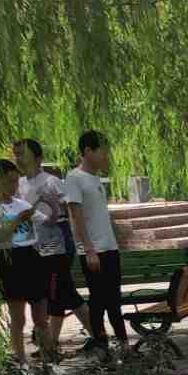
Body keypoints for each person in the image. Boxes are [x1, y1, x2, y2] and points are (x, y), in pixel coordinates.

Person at [14, 138, 86, 360]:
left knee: (61, 289)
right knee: (51, 293)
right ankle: (50, 344)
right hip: (33, 244)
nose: (18, 158)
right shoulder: (19, 184)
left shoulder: (52, 182)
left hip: (56, 242)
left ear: (38, 157)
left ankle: (97, 338)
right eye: (15, 154)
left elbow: (69, 211)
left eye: (22, 153)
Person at [60, 129, 126, 357]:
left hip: (109, 248)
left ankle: (124, 346)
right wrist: (88, 250)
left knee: (114, 300)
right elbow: (75, 217)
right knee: (98, 301)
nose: (106, 157)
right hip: (93, 250)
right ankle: (102, 347)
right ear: (87, 151)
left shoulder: (95, 178)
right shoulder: (74, 178)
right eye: (102, 152)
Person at [0, 159, 39, 366]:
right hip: (11, 259)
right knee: (18, 317)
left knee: (41, 315)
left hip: (32, 257)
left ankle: (49, 357)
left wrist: (49, 203)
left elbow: (44, 222)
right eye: (9, 182)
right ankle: (21, 359)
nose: (14, 187)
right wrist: (16, 222)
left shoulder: (22, 204)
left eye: (16, 182)